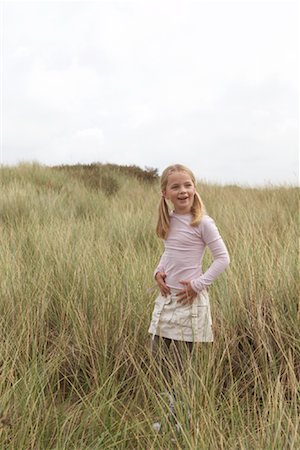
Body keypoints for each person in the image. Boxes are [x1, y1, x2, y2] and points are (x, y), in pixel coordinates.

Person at [148, 164, 230, 431]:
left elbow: (222, 259)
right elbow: (169, 253)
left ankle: (180, 423)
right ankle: (167, 415)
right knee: (158, 356)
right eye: (176, 186)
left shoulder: (202, 222)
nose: (183, 191)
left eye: (187, 185)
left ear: (194, 189)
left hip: (189, 301)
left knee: (181, 367)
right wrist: (158, 271)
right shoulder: (169, 221)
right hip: (167, 300)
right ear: (165, 193)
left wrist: (198, 284)